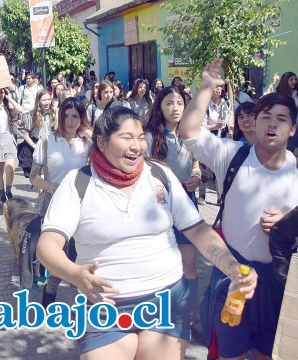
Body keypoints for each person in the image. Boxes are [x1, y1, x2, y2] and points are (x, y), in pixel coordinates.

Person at [37, 106, 258, 359]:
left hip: (166, 302)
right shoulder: (78, 182)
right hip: (104, 308)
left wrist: (230, 265)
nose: (137, 146)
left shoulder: (160, 175)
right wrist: (75, 275)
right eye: (127, 137)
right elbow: (47, 246)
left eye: (141, 137)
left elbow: (198, 230)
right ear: (102, 141)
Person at [179, 59, 298, 360]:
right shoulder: (232, 155)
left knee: (270, 354)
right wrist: (207, 87)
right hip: (235, 275)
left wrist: (287, 224)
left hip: (278, 282)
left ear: (293, 128)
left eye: (281, 119)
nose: (272, 124)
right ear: (254, 122)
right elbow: (188, 131)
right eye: (266, 116)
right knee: (229, 354)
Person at [144, 86, 203, 336]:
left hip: (187, 204)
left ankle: (190, 316)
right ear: (159, 107)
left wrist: (197, 177)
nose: (176, 107)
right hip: (157, 209)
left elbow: (196, 164)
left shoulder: (190, 136)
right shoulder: (149, 135)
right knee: (160, 264)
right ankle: (157, 313)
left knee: (189, 265)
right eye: (169, 103)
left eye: (179, 102)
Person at [29, 97, 92, 307]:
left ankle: (68, 293)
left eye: (75, 116)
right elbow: (33, 176)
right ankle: (52, 287)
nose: (70, 121)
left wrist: (90, 135)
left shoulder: (87, 144)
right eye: (66, 115)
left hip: (82, 205)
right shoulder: (47, 142)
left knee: (77, 253)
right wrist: (50, 187)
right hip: (53, 205)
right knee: (60, 253)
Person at [19, 90, 56, 178]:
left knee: (49, 174)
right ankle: (42, 190)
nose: (47, 103)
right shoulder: (31, 115)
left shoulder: (54, 114)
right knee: (39, 176)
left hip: (50, 145)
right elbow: (26, 135)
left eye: (48, 99)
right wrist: (36, 146)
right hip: (35, 145)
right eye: (44, 100)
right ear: (38, 101)